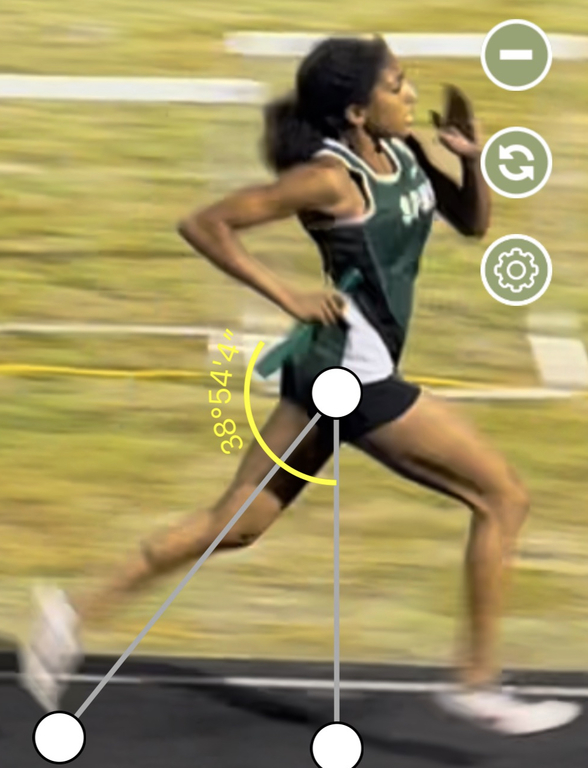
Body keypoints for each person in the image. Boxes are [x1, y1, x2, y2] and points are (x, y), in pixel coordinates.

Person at [20, 35, 580, 735]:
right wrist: (287, 294)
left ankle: (68, 614)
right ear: (356, 111)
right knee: (502, 496)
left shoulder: (404, 152)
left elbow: (471, 223)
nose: (410, 94)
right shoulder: (330, 180)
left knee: (238, 524)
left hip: (328, 370)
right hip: (357, 377)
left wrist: (471, 160)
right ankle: (476, 684)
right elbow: (205, 224)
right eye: (396, 85)